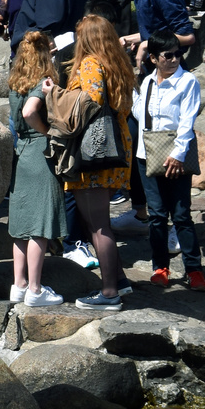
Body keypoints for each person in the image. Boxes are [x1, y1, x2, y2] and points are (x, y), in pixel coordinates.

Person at [64, 16, 137, 312]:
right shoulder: (117, 64)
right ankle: (118, 280)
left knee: (98, 225)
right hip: (115, 149)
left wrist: (56, 96)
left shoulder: (91, 64)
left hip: (94, 154)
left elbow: (91, 99)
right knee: (99, 221)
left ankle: (108, 294)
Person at [132, 31, 205, 289]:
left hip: (176, 155)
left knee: (182, 214)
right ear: (153, 58)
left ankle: (193, 269)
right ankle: (160, 266)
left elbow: (187, 120)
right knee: (157, 215)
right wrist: (134, 87)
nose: (175, 59)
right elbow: (141, 115)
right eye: (168, 55)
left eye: (178, 54)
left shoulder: (188, 82)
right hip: (147, 154)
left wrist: (177, 153)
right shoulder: (148, 82)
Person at [6, 32, 66, 307]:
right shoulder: (42, 82)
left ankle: (18, 286)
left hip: (21, 153)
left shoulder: (15, 83)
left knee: (20, 227)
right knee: (39, 227)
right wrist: (47, 131)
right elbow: (31, 112)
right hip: (40, 151)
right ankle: (35, 289)